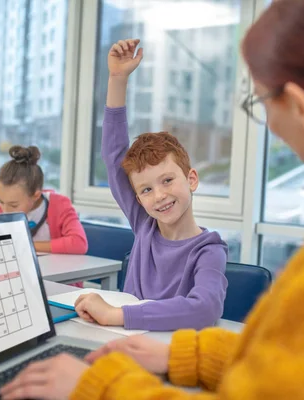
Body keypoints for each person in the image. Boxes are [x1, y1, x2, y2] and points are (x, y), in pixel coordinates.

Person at [0, 0, 304, 399]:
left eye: (259, 102)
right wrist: (188, 354)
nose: (269, 122)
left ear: (297, 103)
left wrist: (97, 387)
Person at [72, 38, 228, 332]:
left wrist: (117, 315)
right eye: (146, 190)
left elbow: (205, 308)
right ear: (138, 199)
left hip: (168, 356)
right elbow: (113, 155)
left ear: (191, 179)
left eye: (167, 180)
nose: (159, 196)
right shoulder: (145, 224)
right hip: (125, 344)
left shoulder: (210, 250)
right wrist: (118, 79)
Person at [0, 145, 88, 255]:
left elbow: (79, 244)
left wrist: (27, 245)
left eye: (14, 205)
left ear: (36, 196)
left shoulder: (60, 205)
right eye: (1, 201)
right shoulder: (4, 206)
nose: (5, 211)